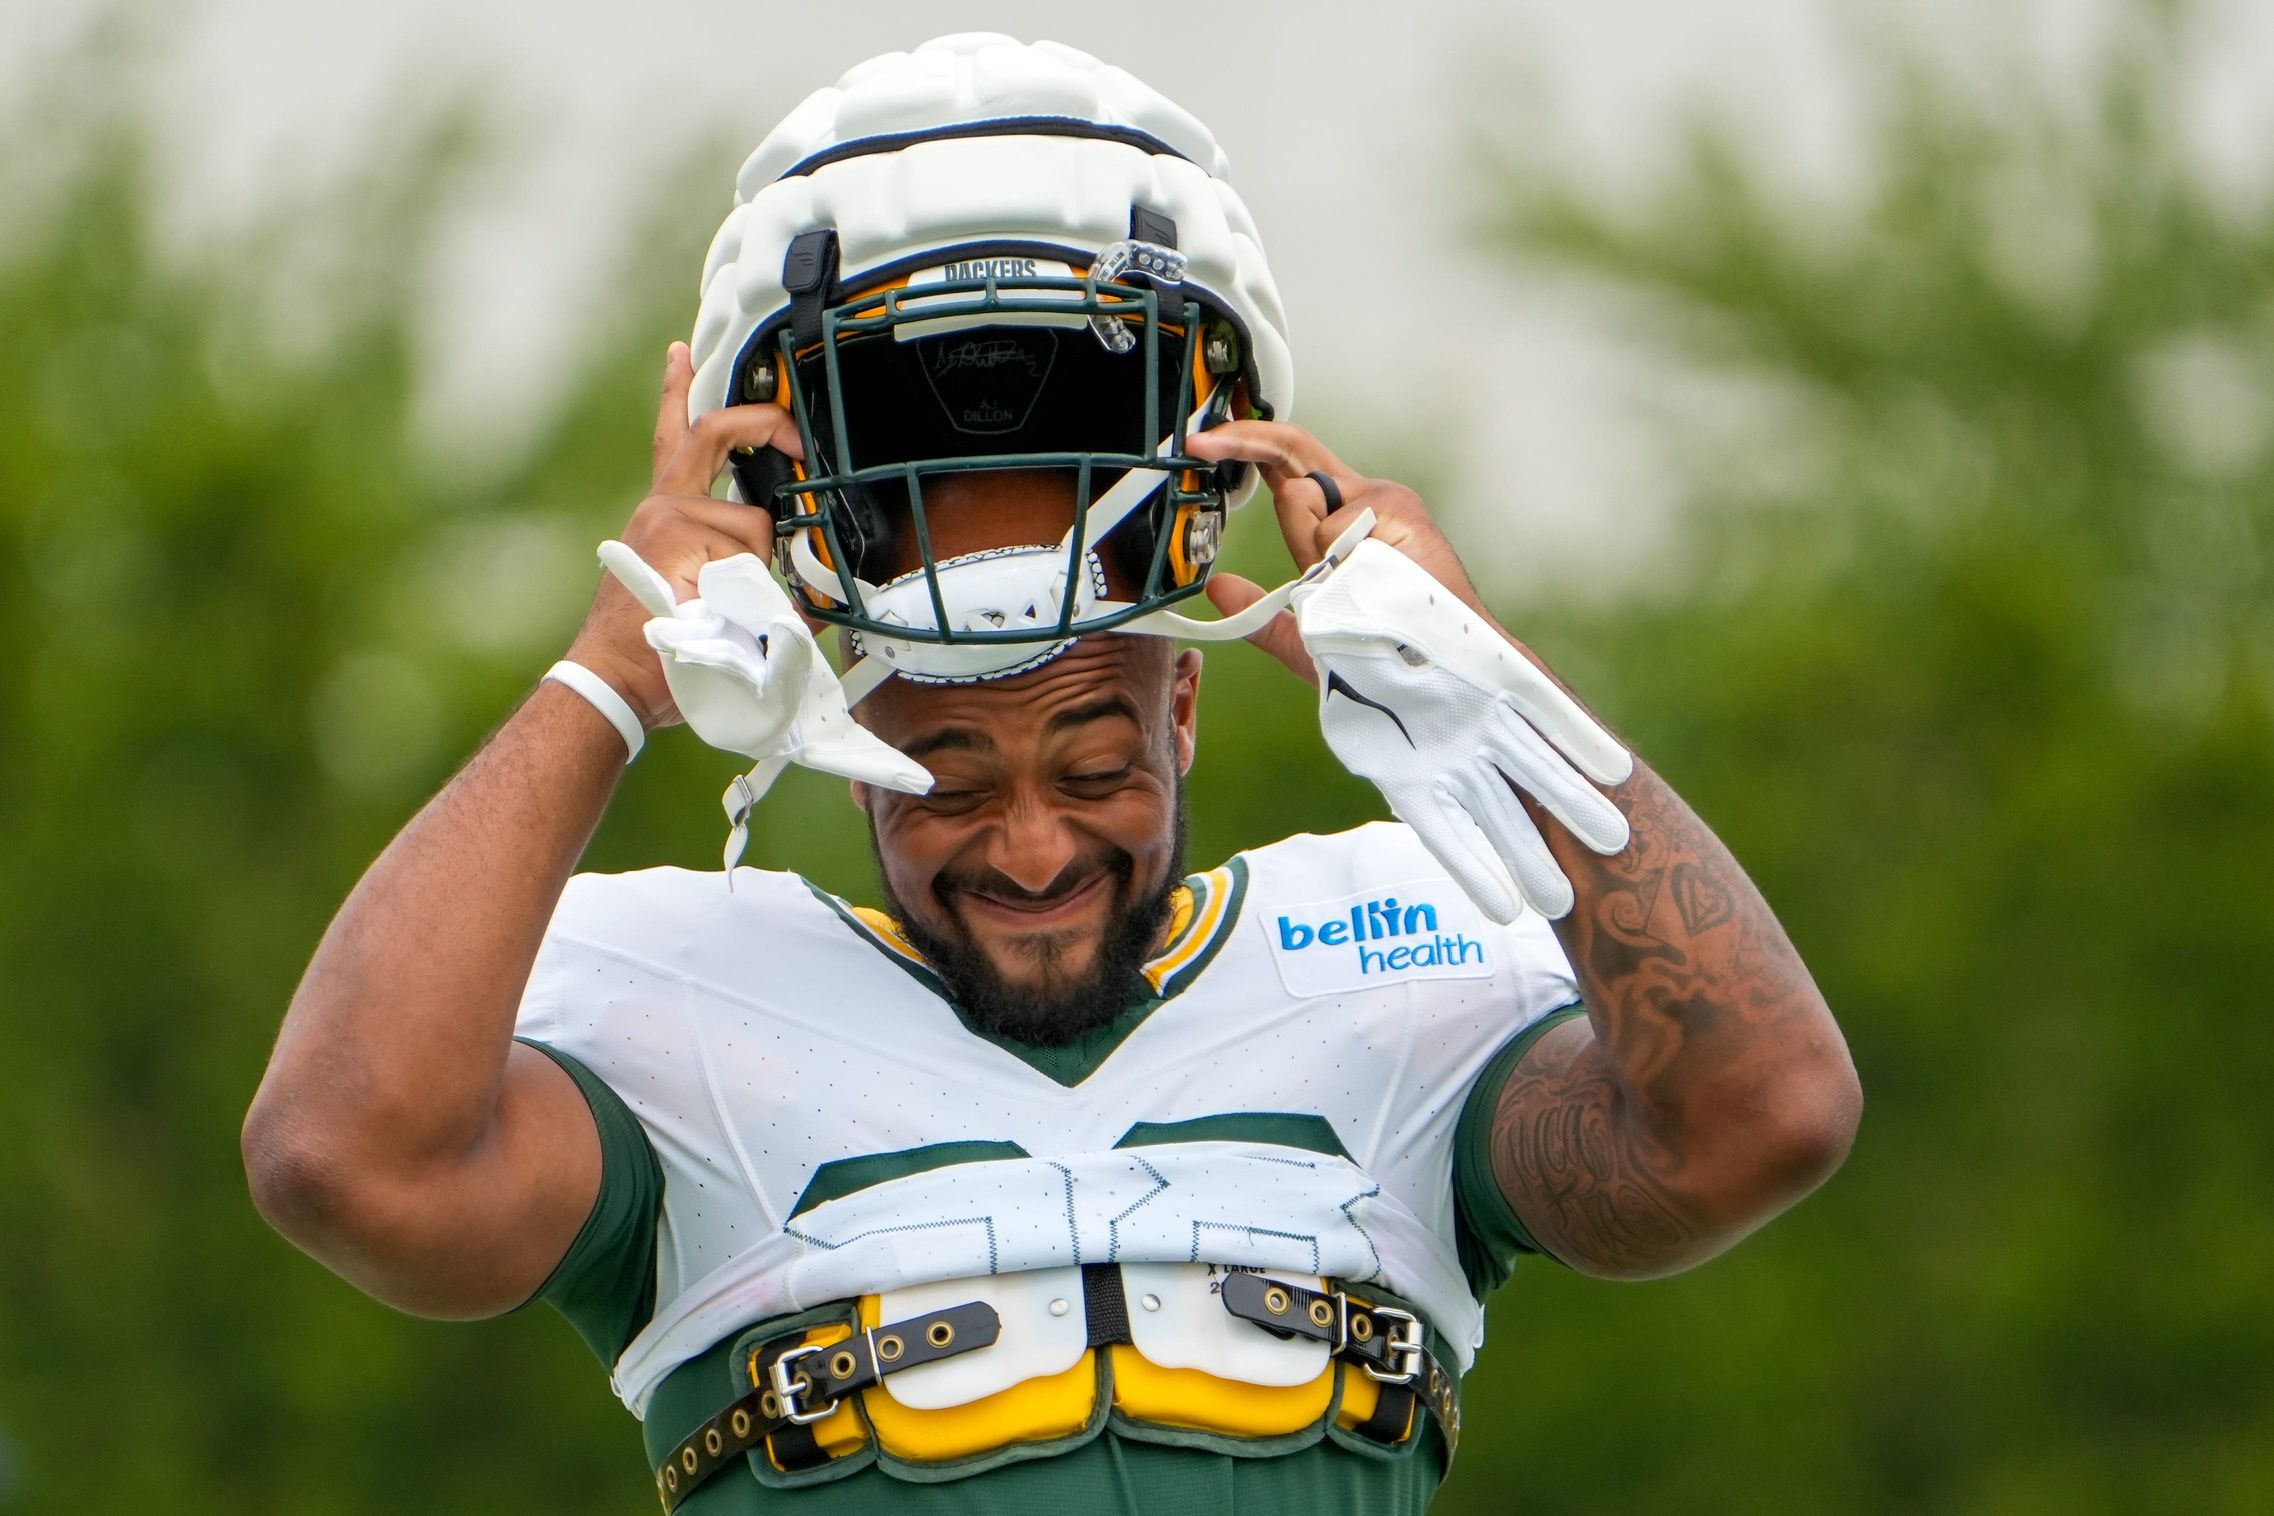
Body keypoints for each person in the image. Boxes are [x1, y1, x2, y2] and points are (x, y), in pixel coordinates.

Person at [242, 34, 1860, 1515]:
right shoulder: (675, 999)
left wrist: (1484, 689)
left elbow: (1760, 1118)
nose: (1026, 845)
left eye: (1091, 764)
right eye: (946, 776)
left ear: (1185, 721)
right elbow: (341, 1159)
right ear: (849, 758)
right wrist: (604, 674)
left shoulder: (1397, 953)